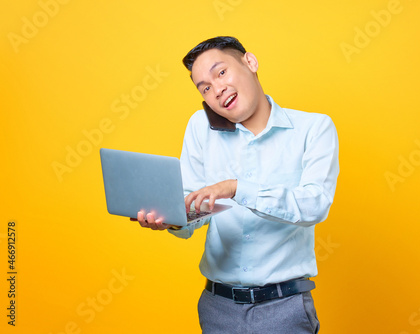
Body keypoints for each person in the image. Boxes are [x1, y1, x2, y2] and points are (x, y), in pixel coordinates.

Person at [132, 36, 340, 333]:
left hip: (284, 308)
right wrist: (172, 220)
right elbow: (193, 210)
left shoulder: (314, 128)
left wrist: (237, 188)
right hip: (218, 308)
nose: (217, 89)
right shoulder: (199, 127)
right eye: (204, 87)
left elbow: (314, 205)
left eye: (221, 73)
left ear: (250, 62)